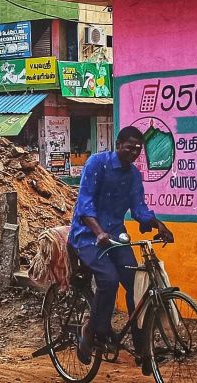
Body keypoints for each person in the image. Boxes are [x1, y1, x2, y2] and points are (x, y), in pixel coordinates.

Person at [69, 126, 174, 365]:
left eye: (138, 150)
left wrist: (158, 224)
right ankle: (93, 331)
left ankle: (141, 346)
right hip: (87, 235)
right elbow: (84, 205)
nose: (134, 153)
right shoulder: (97, 164)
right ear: (118, 145)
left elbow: (139, 208)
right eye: (129, 148)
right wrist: (98, 232)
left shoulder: (133, 176)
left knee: (137, 285)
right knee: (108, 279)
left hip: (116, 236)